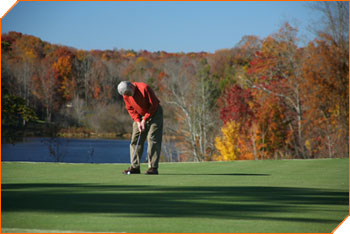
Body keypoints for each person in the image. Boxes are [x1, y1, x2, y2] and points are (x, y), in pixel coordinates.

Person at [117, 81, 163, 175]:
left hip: (154, 113)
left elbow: (154, 105)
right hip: (140, 115)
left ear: (131, 86)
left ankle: (153, 168)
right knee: (135, 139)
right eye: (126, 95)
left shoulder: (144, 88)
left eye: (129, 93)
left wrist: (144, 120)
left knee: (152, 138)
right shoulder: (126, 94)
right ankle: (134, 167)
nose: (128, 96)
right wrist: (138, 121)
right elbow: (130, 109)